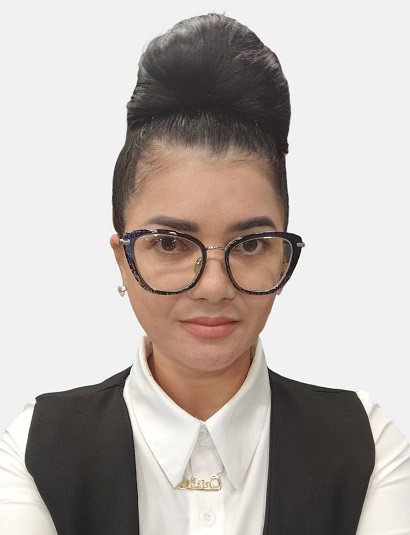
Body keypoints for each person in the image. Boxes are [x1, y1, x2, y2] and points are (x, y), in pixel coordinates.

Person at [0, 12, 409, 535]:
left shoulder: (366, 445)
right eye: (170, 243)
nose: (214, 287)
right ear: (123, 257)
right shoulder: (35, 448)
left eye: (251, 244)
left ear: (283, 255)